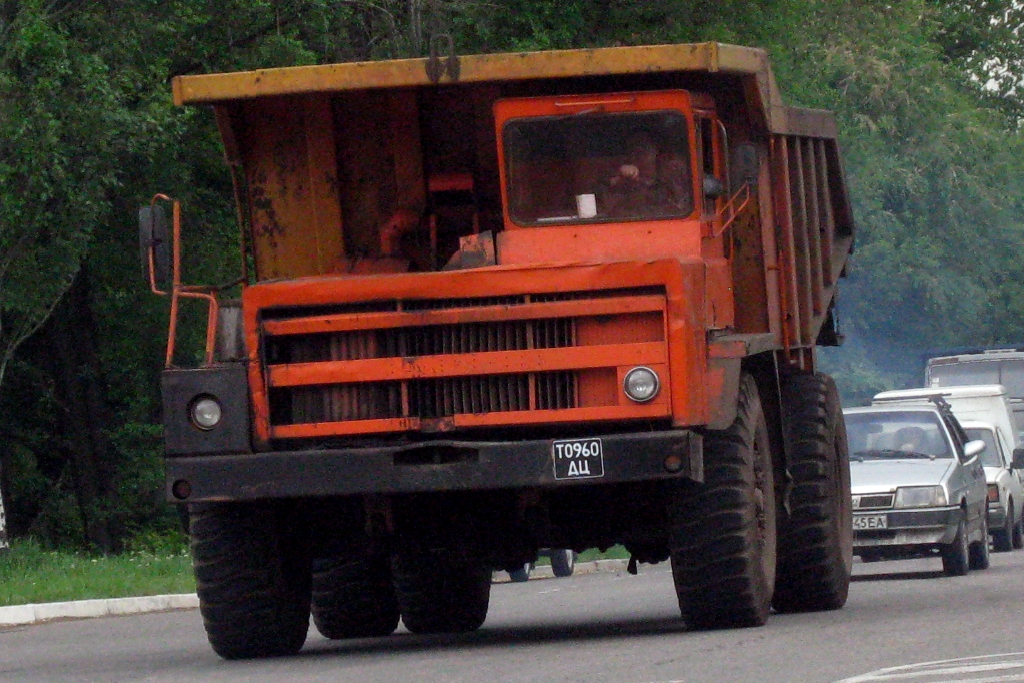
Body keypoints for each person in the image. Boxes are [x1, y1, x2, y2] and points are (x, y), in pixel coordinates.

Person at [598, 133, 692, 218]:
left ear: (655, 150)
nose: (636, 154)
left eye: (643, 148)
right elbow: (610, 210)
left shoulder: (673, 175)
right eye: (632, 150)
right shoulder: (622, 179)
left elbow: (683, 205)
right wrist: (620, 179)